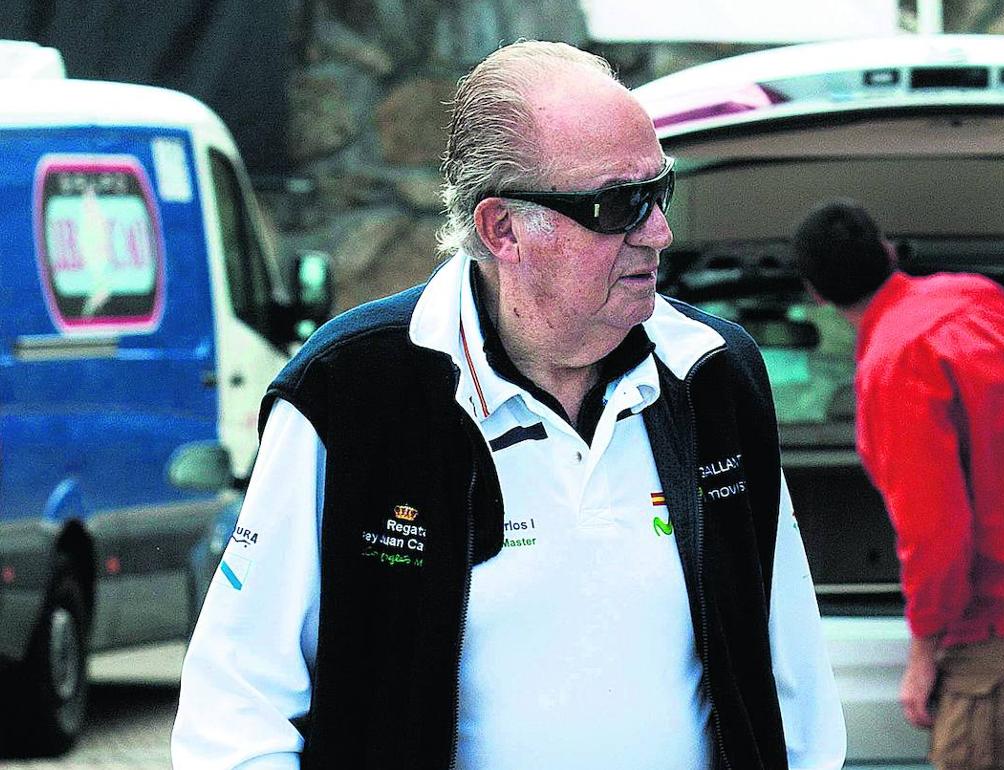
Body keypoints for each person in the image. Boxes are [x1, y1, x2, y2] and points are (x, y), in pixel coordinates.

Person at [172, 41, 846, 770]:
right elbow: (236, 709)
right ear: (502, 229)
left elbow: (794, 685)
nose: (659, 231)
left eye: (661, 190)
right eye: (619, 204)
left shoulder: (713, 374)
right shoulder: (350, 392)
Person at [792, 200, 1004, 770]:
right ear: (887, 249)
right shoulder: (974, 295)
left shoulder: (895, 364)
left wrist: (923, 653)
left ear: (817, 295)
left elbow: (936, 532)